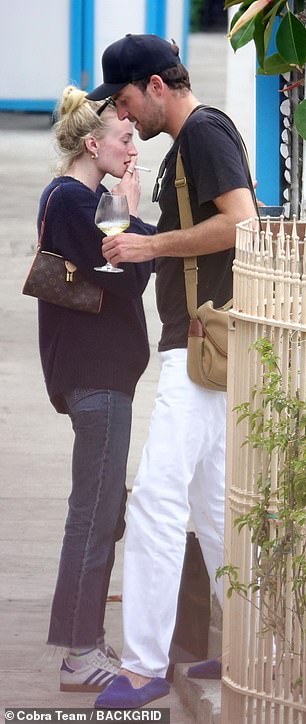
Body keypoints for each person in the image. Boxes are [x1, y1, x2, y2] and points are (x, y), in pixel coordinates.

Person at [87, 34, 257, 708]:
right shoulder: (185, 149)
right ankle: (251, 646)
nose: (123, 117)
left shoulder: (204, 134)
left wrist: (149, 241)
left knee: (158, 499)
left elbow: (242, 222)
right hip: (205, 343)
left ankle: (143, 665)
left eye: (125, 100)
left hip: (201, 343)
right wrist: (142, 228)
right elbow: (199, 235)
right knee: (214, 509)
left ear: (158, 84)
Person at [37, 84, 154, 693]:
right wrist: (130, 211)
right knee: (94, 513)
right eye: (126, 138)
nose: (133, 147)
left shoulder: (88, 201)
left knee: (102, 512)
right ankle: (80, 652)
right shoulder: (71, 201)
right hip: (96, 377)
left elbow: (142, 254)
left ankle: (87, 641)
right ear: (93, 143)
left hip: (105, 377)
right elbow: (127, 276)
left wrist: (145, 227)